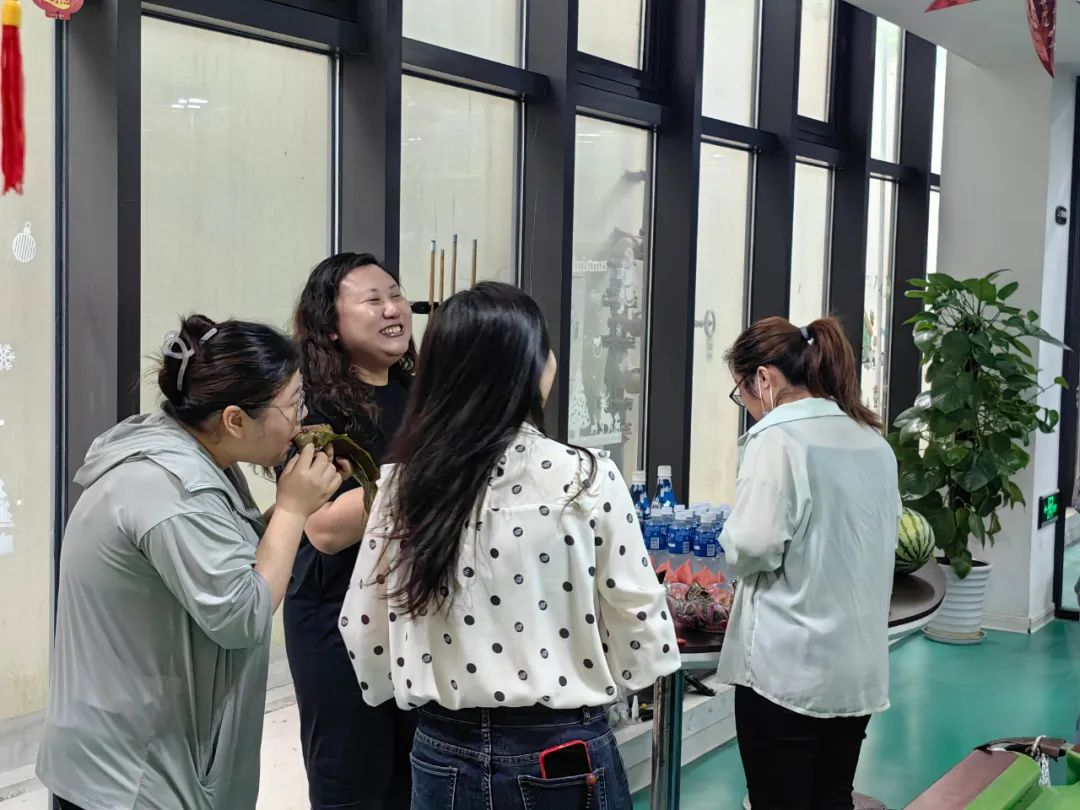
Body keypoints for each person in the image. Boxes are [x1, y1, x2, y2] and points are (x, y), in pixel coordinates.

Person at [338, 282, 681, 810]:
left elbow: (362, 625)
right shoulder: (585, 476)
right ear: (529, 366)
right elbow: (638, 616)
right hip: (561, 747)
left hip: (440, 748)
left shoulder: (401, 485)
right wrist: (606, 677)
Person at [37, 315, 344, 810]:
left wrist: (298, 506)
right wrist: (290, 510)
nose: (301, 419)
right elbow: (241, 614)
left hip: (131, 755)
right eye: (293, 405)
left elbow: (222, 556)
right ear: (235, 420)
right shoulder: (172, 489)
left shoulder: (186, 454)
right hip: (133, 781)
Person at [717, 316, 902, 810]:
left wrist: (727, 542)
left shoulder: (778, 439)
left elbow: (752, 545)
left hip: (788, 671)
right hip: (856, 669)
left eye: (741, 392)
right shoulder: (872, 439)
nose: (747, 406)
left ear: (763, 378)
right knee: (833, 798)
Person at [284, 253, 417, 810]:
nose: (392, 309)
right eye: (372, 300)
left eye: (396, 294)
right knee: (352, 780)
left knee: (414, 779)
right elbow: (323, 528)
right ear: (330, 325)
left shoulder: (422, 394)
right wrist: (429, 475)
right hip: (334, 615)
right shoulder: (309, 408)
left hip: (413, 611)